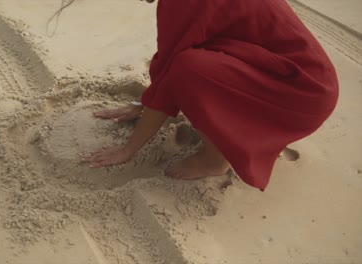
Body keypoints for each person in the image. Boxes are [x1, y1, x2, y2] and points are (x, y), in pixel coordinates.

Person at [81, 0, 338, 191]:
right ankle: (251, 132)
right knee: (189, 61)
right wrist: (142, 102)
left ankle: (214, 160)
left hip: (300, 94)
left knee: (189, 69)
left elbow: (175, 72)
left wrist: (127, 149)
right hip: (305, 84)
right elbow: (172, 55)